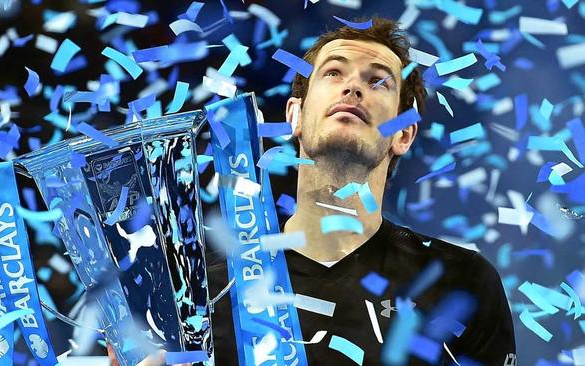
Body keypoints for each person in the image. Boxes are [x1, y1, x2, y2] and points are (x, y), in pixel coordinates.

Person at [110, 15, 516, 366]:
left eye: (378, 81)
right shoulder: (202, 291)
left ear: (404, 134)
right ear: (294, 116)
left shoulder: (461, 281)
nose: (353, 88)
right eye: (334, 72)